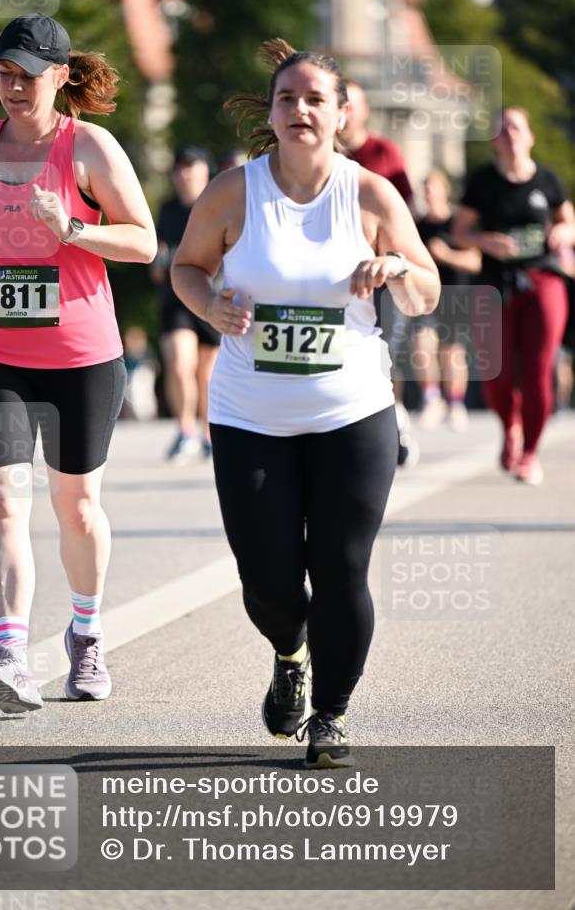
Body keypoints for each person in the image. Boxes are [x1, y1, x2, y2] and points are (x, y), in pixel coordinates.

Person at [171, 39, 440, 767]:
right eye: (286, 98)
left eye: (315, 99)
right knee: (268, 578)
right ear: (272, 111)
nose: (299, 110)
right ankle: (290, 653)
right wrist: (211, 307)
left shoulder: (370, 195)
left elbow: (427, 287)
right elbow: (186, 268)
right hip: (248, 415)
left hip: (349, 413)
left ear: (342, 115)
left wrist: (395, 269)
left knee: (341, 566)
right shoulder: (234, 192)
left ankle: (332, 713)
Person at [0, 14, 156, 712]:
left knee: (77, 507)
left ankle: (85, 635)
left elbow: (145, 242)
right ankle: (9, 655)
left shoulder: (88, 147)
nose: (13, 86)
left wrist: (75, 229)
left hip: (78, 356)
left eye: (27, 75)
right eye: (4, 73)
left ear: (61, 78)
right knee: (1, 498)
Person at [453, 106, 575, 484]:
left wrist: (563, 234)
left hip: (543, 279)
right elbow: (459, 233)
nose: (510, 134)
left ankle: (531, 452)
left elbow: (568, 221)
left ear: (530, 136)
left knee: (540, 368)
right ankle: (510, 426)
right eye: (503, 129)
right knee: (497, 373)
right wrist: (484, 240)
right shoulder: (482, 182)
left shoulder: (548, 180)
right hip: (494, 284)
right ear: (494, 140)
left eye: (517, 127)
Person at [339, 80, 419, 465]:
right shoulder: (321, 155)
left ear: (364, 110)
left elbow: (404, 211)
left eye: (354, 104)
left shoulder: (384, 153)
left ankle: (394, 417)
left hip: (383, 272)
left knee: (387, 352)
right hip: (339, 278)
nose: (348, 112)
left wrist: (390, 256)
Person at [149, 145, 220, 461]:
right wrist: (157, 263)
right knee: (179, 361)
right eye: (180, 167)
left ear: (207, 172)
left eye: (193, 167)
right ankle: (185, 429)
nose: (186, 173)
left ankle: (208, 433)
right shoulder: (167, 209)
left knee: (207, 373)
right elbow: (158, 250)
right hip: (176, 299)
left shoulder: (221, 204)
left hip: (215, 299)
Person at [414, 169, 481, 431]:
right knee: (422, 345)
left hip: (455, 296)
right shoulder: (417, 225)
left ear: (445, 191)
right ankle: (432, 398)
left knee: (452, 353)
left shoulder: (457, 223)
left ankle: (455, 403)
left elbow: (475, 262)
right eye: (425, 188)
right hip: (425, 297)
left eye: (434, 188)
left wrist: (446, 255)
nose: (429, 193)